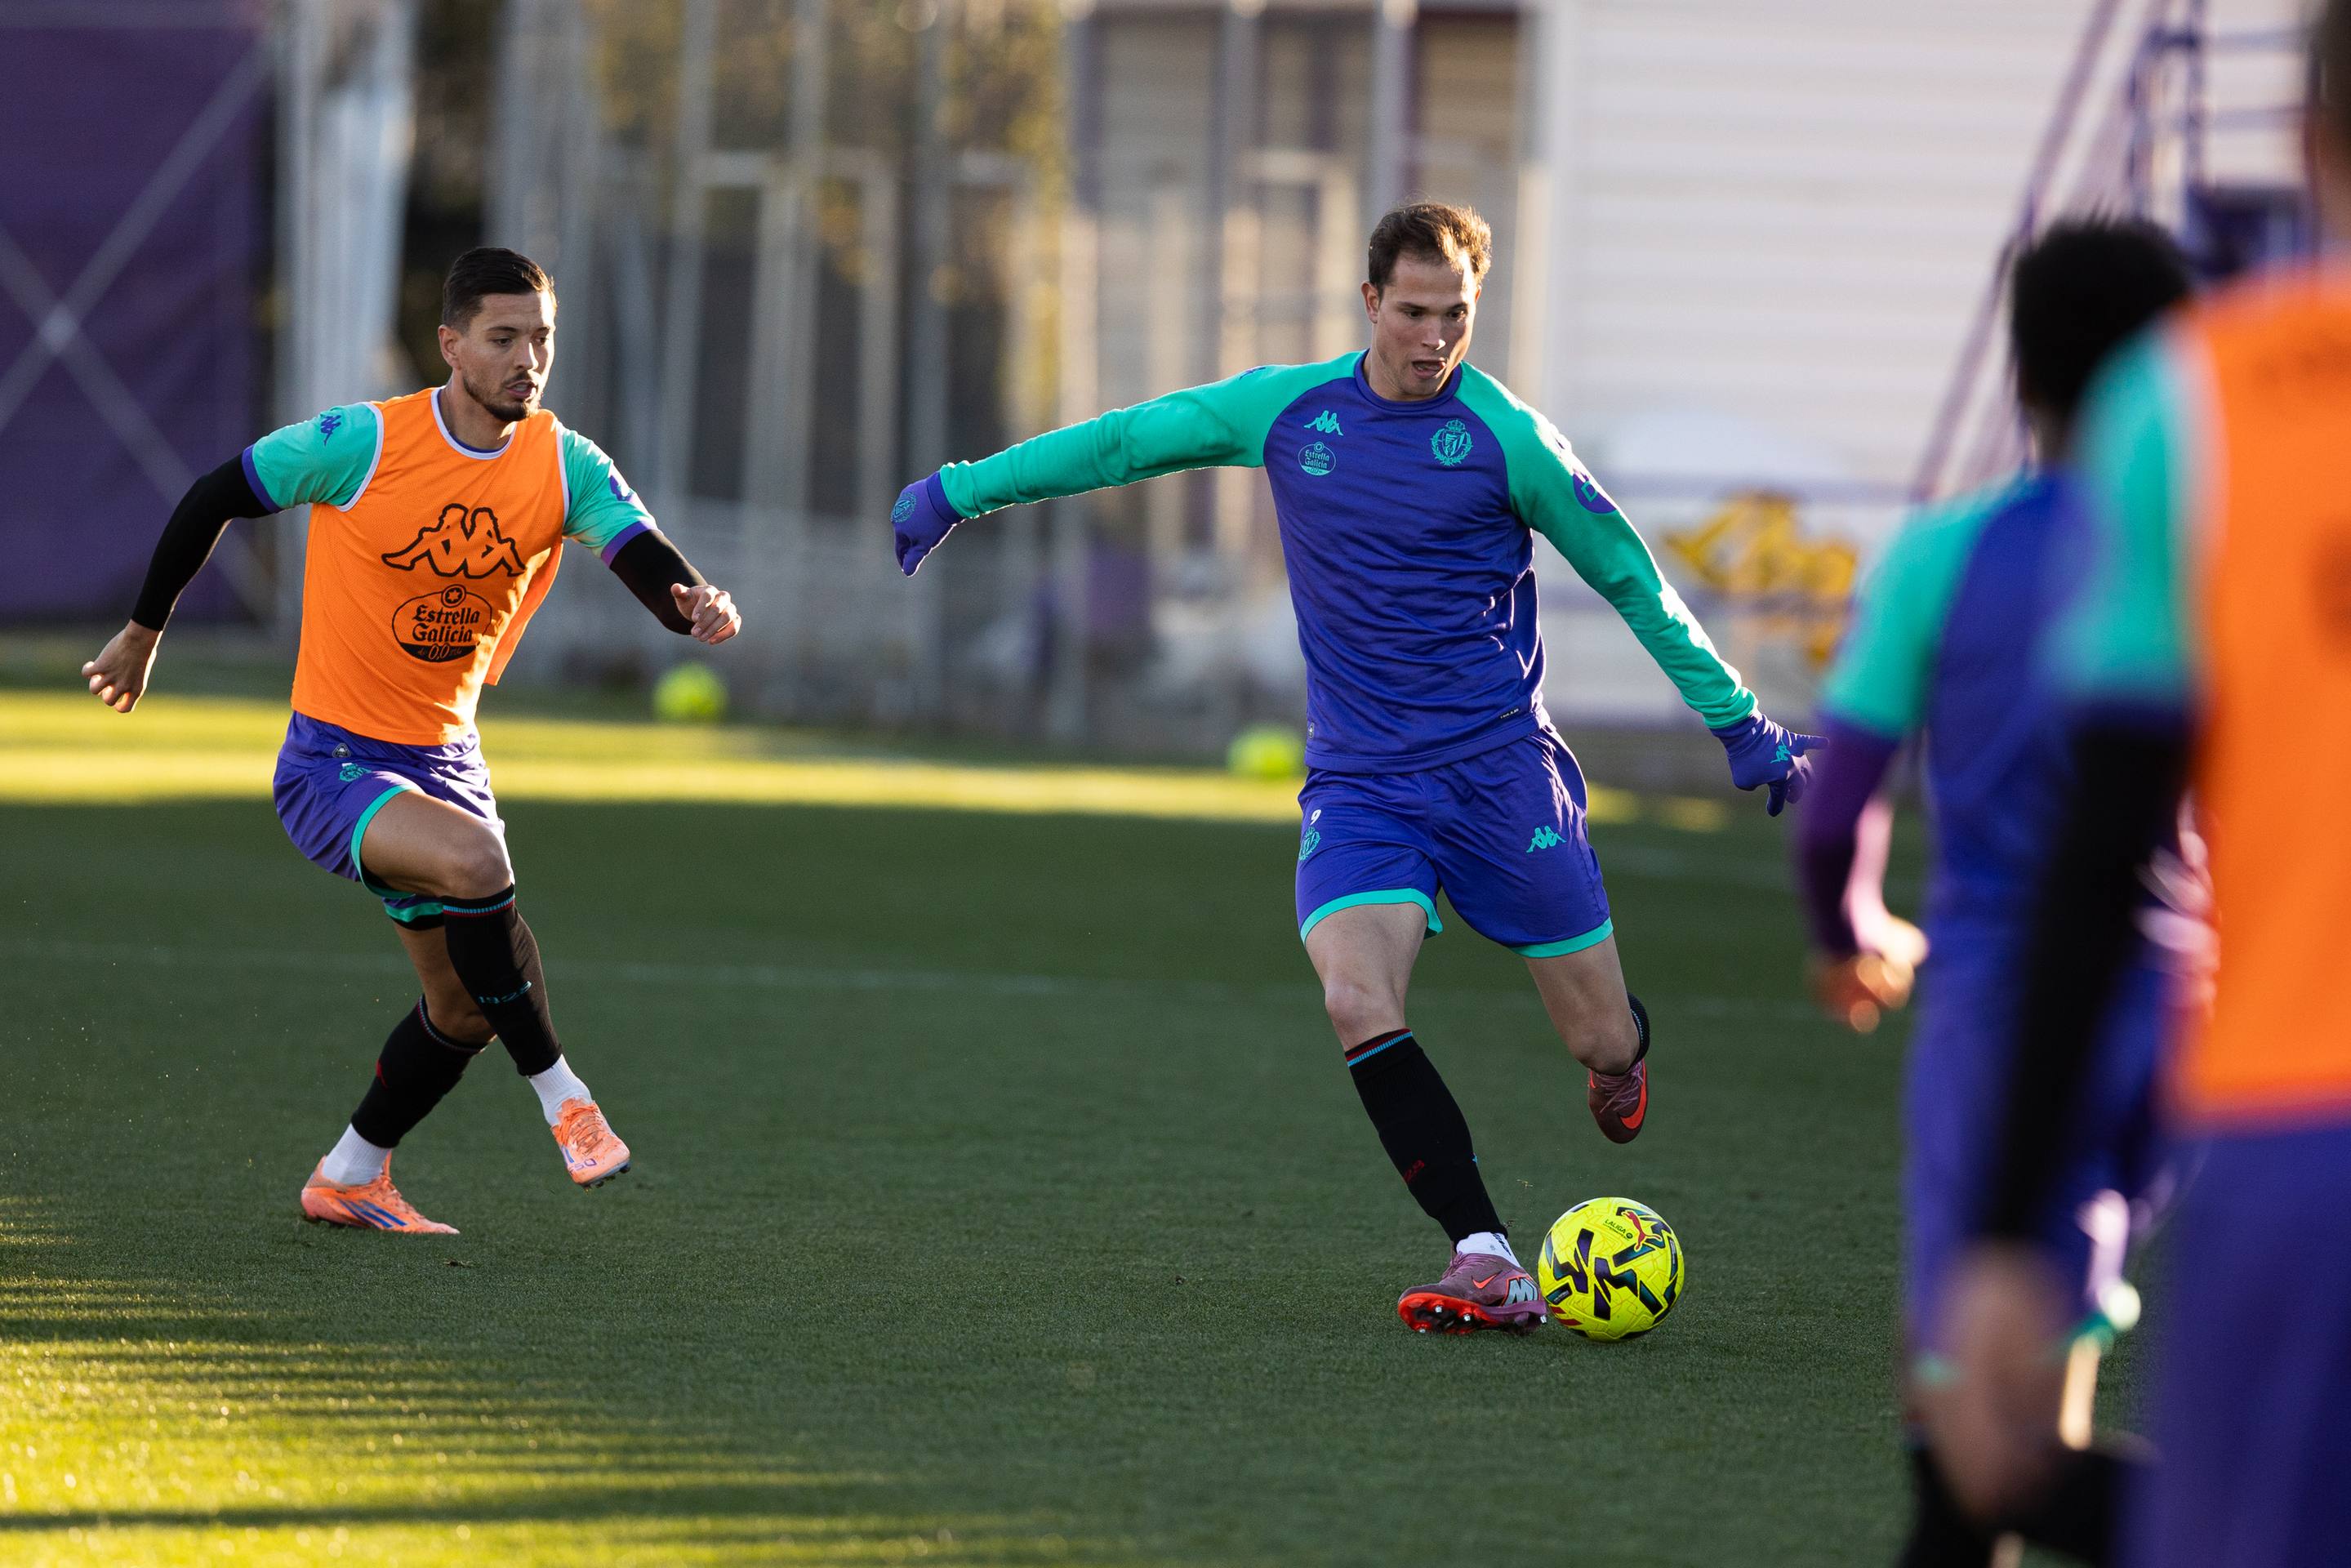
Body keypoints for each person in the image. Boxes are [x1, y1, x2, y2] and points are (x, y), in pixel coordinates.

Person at [886, 203, 1817, 1332]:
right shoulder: (1288, 410)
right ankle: (1484, 1253)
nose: (1433, 338)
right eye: (1414, 312)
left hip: (1499, 778)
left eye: (1456, 315)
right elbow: (1127, 441)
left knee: (1598, 1039)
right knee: (1351, 993)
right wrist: (960, 489)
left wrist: (1741, 725)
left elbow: (1631, 578)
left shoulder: (1505, 436)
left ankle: (1620, 1059)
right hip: (1362, 784)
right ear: (1369, 303)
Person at [79, 247, 741, 1234]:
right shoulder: (364, 442)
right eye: (504, 338)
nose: (528, 360)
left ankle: (350, 1176)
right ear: (451, 345)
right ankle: (564, 1097)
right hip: (334, 763)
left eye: (542, 340)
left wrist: (689, 600)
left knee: (466, 1008)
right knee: (479, 862)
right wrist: (143, 632)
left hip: (446, 760)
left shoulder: (563, 460)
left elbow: (638, 552)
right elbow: (216, 492)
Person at [1935, 6, 2351, 1559]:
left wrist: (1996, 1238)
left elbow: (2100, 841)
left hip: (2304, 1137)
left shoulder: (2199, 405)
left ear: (2304, 136)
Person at [1794, 219, 2198, 1566]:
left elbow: (1832, 812)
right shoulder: (2219, 556)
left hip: (2007, 1008)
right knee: (2046, 1380)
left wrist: (1846, 932)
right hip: (2188, 1016)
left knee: (1968, 1446)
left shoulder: (1940, 557)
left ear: (2017, 373)